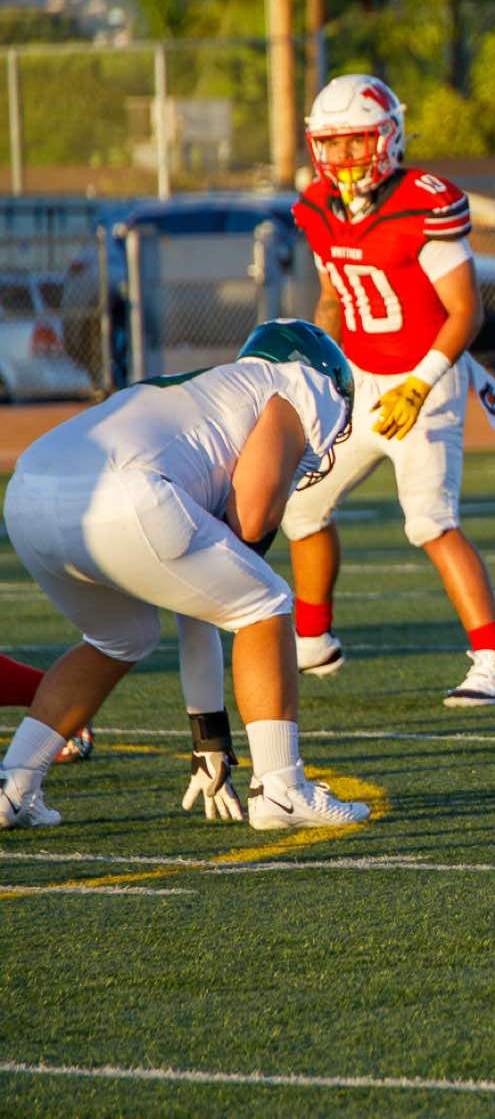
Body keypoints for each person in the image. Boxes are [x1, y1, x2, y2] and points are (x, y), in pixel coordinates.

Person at [0, 320, 369, 831]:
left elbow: (202, 603)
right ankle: (281, 788)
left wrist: (209, 739)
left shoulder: (208, 392)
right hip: (124, 490)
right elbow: (253, 518)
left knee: (121, 638)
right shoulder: (296, 383)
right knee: (266, 603)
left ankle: (14, 787)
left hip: (27, 494)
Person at [281, 74, 495, 707]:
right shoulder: (317, 207)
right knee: (301, 506)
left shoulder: (423, 203)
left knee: (430, 523)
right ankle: (314, 639)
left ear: (387, 137)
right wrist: (322, 371)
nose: (343, 156)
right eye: (332, 143)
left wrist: (418, 386)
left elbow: (465, 312)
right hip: (360, 382)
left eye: (356, 141)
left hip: (425, 382)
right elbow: (332, 299)